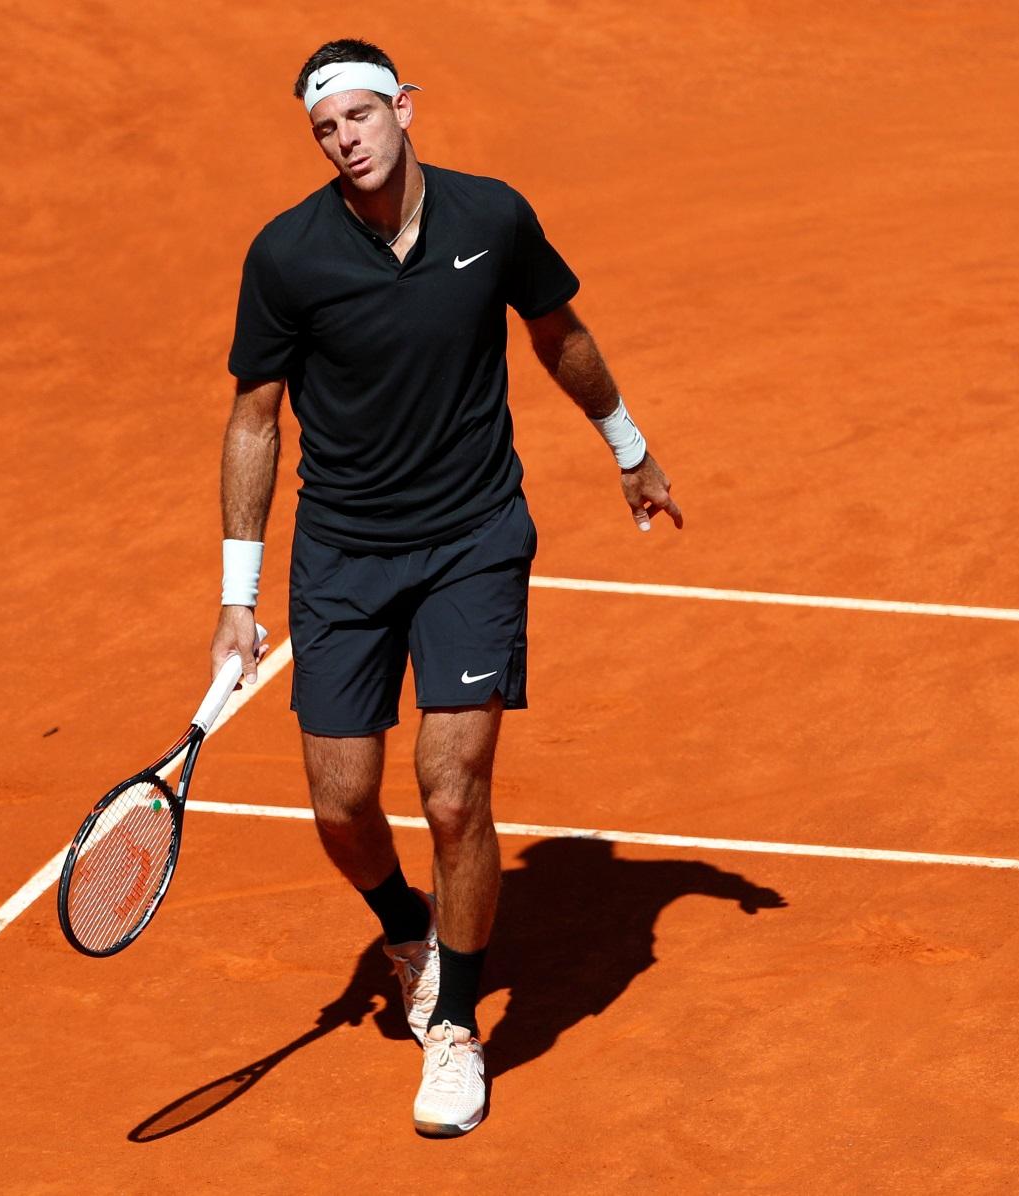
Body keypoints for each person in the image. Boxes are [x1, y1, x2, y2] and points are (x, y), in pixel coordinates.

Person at [210, 38, 682, 1137]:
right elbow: (253, 420)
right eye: (327, 129)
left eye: (362, 116)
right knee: (340, 803)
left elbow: (558, 333)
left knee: (453, 792)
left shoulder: (491, 216)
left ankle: (458, 1026)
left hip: (473, 538)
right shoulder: (286, 255)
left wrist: (628, 447)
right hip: (343, 555)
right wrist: (238, 593)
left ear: (405, 109)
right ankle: (407, 925)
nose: (347, 140)